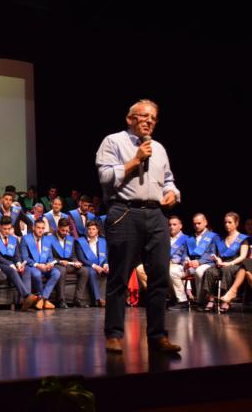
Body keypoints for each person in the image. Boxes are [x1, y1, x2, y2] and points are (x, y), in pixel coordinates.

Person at [96, 99, 181, 353]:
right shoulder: (113, 142)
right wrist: (135, 160)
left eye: (153, 118)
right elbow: (106, 177)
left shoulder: (160, 149)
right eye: (144, 116)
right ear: (130, 118)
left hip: (156, 215)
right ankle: (114, 334)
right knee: (120, 278)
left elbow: (169, 180)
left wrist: (172, 193)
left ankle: (157, 336)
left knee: (159, 278)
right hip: (125, 212)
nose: (149, 121)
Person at [204, 212, 250, 312]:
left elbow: (243, 256)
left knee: (227, 270)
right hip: (223, 263)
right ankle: (211, 299)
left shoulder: (242, 238)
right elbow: (221, 255)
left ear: (236, 223)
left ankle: (226, 300)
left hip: (237, 264)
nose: (227, 225)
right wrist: (218, 259)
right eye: (225, 222)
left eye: (230, 222)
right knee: (210, 271)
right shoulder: (222, 238)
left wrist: (230, 263)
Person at [0, 216, 38, 311]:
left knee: (27, 270)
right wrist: (10, 264)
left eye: (9, 229)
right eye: (5, 229)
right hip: (0, 264)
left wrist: (18, 263)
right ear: (0, 227)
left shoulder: (14, 239)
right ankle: (27, 296)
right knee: (12, 271)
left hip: (12, 264)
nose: (7, 231)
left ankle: (25, 303)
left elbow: (17, 254)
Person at [181, 213, 219, 311]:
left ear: (205, 222)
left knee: (199, 271)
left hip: (207, 264)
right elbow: (185, 253)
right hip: (192, 264)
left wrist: (199, 262)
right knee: (176, 272)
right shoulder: (190, 238)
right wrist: (186, 259)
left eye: (199, 223)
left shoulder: (213, 236)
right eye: (195, 224)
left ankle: (200, 300)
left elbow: (213, 254)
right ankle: (181, 300)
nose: (196, 226)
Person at [20, 218, 60, 310]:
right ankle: (43, 299)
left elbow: (50, 257)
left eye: (42, 228)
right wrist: (37, 265)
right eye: (38, 227)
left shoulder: (47, 240)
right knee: (36, 273)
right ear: (33, 227)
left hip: (45, 266)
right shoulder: (26, 239)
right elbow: (25, 257)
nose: (40, 230)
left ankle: (43, 298)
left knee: (56, 273)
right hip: (32, 266)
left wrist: (50, 264)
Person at [51, 217, 88, 308]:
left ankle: (78, 299)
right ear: (58, 228)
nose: (65, 233)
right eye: (63, 230)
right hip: (56, 264)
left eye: (67, 231)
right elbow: (48, 257)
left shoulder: (70, 239)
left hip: (68, 264)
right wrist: (60, 261)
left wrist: (75, 261)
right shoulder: (50, 238)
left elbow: (73, 255)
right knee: (62, 270)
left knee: (84, 271)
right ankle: (61, 300)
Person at [75, 220, 108, 307]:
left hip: (101, 265)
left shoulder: (103, 241)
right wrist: (94, 266)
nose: (91, 231)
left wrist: (106, 264)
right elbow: (81, 258)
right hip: (88, 265)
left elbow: (106, 256)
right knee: (92, 272)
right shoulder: (80, 242)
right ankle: (98, 299)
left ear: (97, 230)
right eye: (89, 229)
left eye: (93, 229)